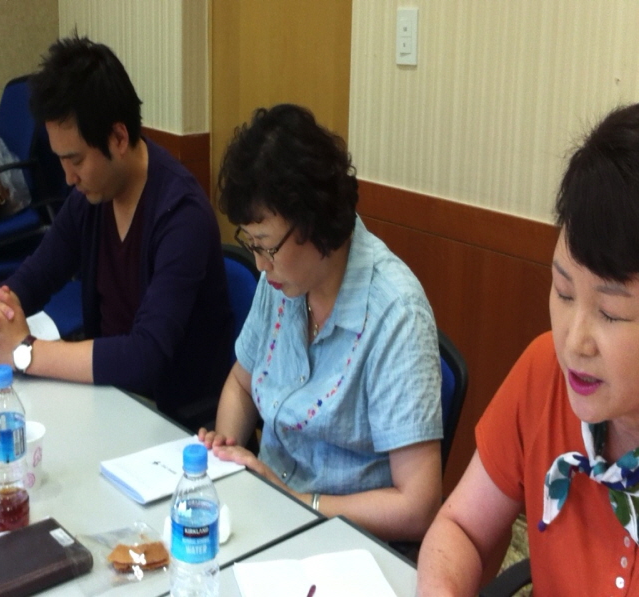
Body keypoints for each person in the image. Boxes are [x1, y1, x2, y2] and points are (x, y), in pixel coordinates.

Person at [417, 103, 639, 595]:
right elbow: (462, 529)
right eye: (563, 292)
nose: (573, 342)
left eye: (611, 313)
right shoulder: (545, 372)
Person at [198, 104, 443, 541]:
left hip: (346, 541)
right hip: (269, 512)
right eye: (250, 244)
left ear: (314, 223)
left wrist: (295, 500)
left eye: (267, 246)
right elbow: (241, 384)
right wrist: (227, 453)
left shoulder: (396, 314)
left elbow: (417, 507)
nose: (260, 264)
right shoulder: (282, 281)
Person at [0, 36, 233, 425]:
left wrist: (25, 351)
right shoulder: (92, 196)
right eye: (60, 160)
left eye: (75, 160)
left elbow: (145, 356)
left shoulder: (181, 215)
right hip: (110, 400)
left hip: (172, 422)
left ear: (119, 138)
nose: (68, 177)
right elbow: (38, 274)